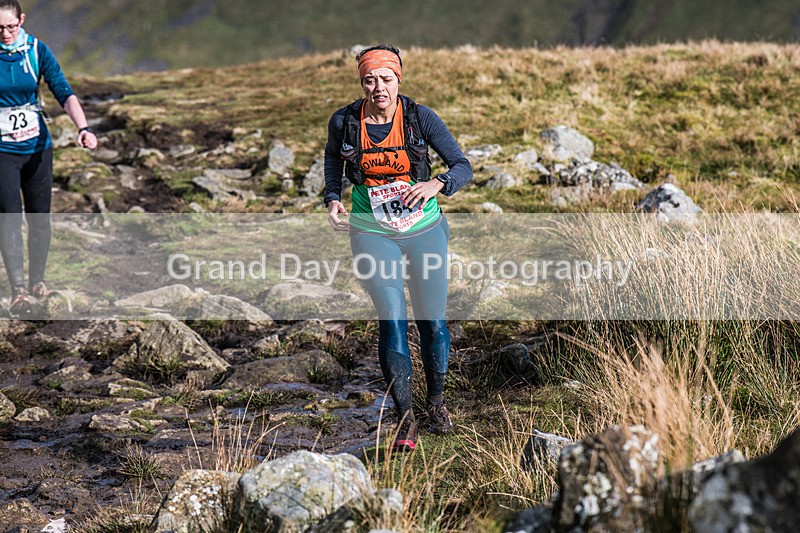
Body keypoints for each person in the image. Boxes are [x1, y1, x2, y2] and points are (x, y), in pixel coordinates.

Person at [324, 44, 472, 451]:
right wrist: (332, 197)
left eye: (386, 79)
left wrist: (435, 184)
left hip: (423, 227)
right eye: (370, 80)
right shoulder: (345, 122)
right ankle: (404, 419)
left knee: (432, 321)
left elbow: (462, 165)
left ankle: (436, 404)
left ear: (398, 79)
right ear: (361, 82)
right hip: (372, 230)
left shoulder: (421, 118)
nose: (378, 88)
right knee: (391, 318)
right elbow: (332, 161)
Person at [0, 0, 97, 317]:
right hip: (2, 152)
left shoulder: (37, 50)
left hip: (38, 148)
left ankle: (38, 280)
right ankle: (19, 292)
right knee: (9, 218)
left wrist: (83, 127)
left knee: (40, 219)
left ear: (22, 20)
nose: (5, 33)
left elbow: (63, 91)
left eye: (11, 26)